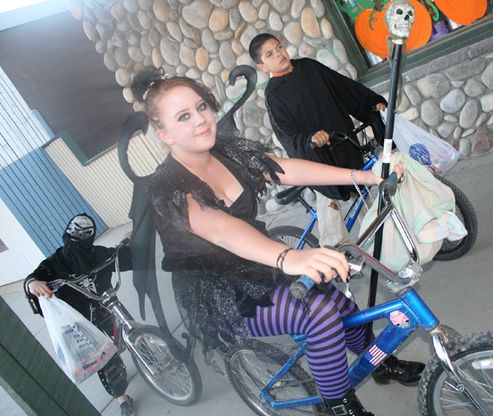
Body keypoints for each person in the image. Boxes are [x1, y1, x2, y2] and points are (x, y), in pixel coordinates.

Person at [129, 68, 423, 416]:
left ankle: (381, 364)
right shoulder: (169, 187)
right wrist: (289, 258)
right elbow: (221, 230)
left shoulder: (224, 150)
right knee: (318, 315)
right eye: (183, 117)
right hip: (222, 288)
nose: (201, 120)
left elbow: (285, 168)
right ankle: (341, 408)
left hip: (258, 256)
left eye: (201, 107)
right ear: (163, 134)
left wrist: (365, 176)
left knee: (340, 303)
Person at [249, 33, 388, 247]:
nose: (279, 54)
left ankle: (385, 243)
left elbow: (343, 87)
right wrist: (309, 139)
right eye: (270, 54)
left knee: (363, 195)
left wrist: (371, 102)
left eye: (279, 47)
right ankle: (332, 259)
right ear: (262, 66)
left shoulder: (309, 67)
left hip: (344, 144)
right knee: (329, 206)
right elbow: (286, 135)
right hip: (318, 159)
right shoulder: (274, 95)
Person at [24, 214, 136, 416]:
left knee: (132, 333)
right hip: (85, 323)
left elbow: (120, 257)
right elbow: (34, 278)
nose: (77, 240)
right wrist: (33, 284)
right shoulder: (54, 264)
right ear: (67, 234)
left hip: (108, 307)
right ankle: (122, 398)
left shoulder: (98, 254)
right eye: (74, 233)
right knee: (105, 360)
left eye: (84, 235)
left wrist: (128, 242)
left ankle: (147, 355)